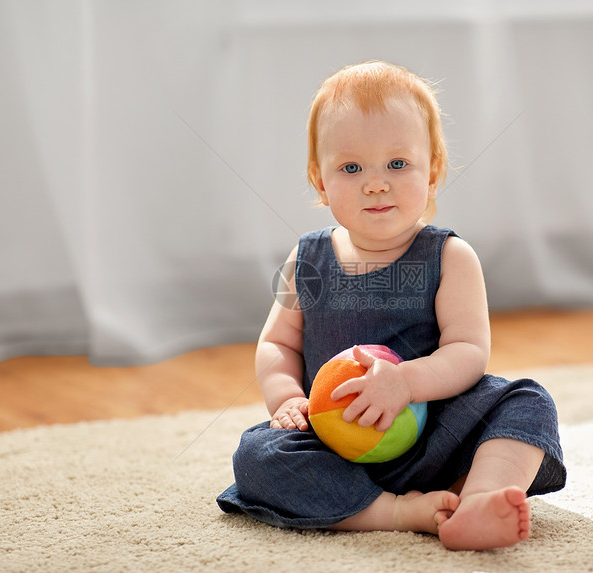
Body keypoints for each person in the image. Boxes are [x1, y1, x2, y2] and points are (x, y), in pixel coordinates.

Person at [217, 61, 565, 550]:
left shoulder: (450, 257)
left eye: (397, 164)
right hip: (334, 442)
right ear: (320, 181)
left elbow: (468, 352)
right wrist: (286, 398)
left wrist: (407, 382)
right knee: (256, 455)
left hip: (434, 436)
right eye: (351, 167)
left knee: (526, 400)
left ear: (433, 171)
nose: (375, 183)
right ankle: (393, 511)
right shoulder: (306, 259)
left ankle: (480, 499)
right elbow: (277, 341)